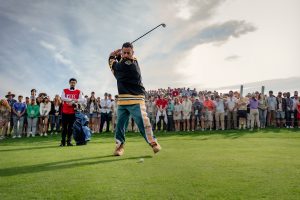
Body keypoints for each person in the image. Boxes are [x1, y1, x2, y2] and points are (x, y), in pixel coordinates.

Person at [108, 42, 161, 156]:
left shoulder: (128, 64)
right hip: (123, 100)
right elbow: (117, 65)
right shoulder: (129, 61)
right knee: (120, 125)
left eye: (128, 53)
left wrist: (112, 56)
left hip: (136, 98)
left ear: (133, 53)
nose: (126, 55)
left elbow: (113, 65)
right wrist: (118, 56)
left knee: (143, 122)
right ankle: (119, 146)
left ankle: (153, 143)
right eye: (124, 53)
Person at [60, 78, 85, 146]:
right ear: (69, 83)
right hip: (65, 112)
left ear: (75, 83)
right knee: (64, 128)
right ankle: (63, 142)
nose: (72, 84)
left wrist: (73, 101)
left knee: (71, 128)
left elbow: (82, 100)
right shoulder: (65, 90)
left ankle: (69, 142)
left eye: (74, 82)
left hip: (73, 113)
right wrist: (72, 100)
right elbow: (62, 97)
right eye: (71, 82)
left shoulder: (78, 91)